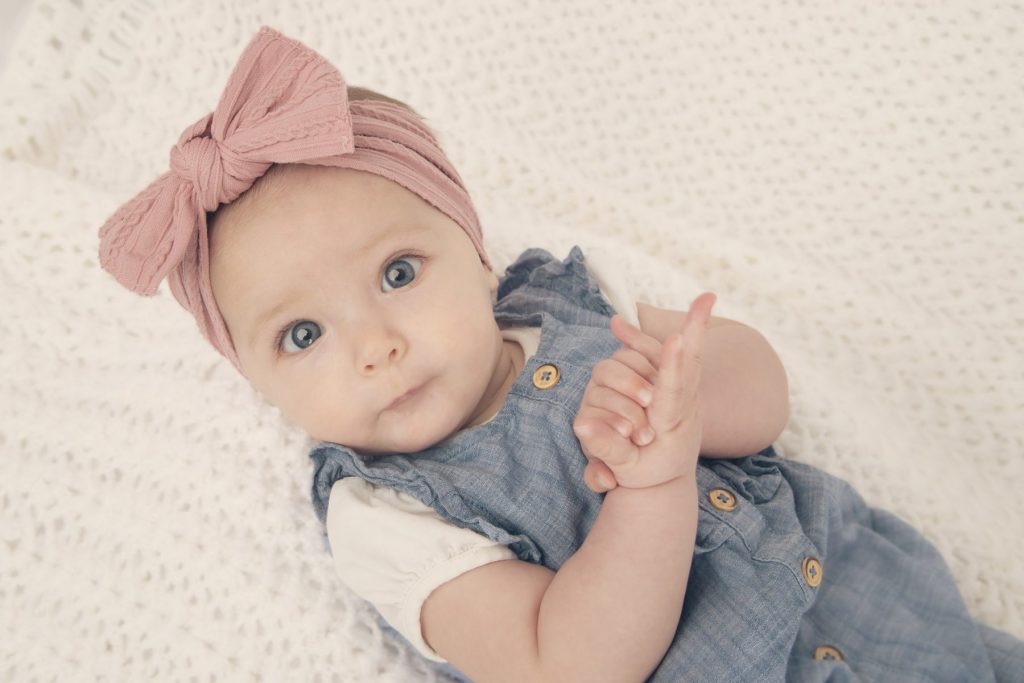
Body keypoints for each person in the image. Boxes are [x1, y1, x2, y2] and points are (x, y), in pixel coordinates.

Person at [97, 26, 1024, 682]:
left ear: (475, 249)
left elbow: (762, 405)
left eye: (398, 271)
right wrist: (653, 489)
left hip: (882, 605)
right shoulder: (383, 515)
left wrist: (691, 393)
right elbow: (565, 664)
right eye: (303, 335)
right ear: (260, 385)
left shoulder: (582, 302)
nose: (375, 345)